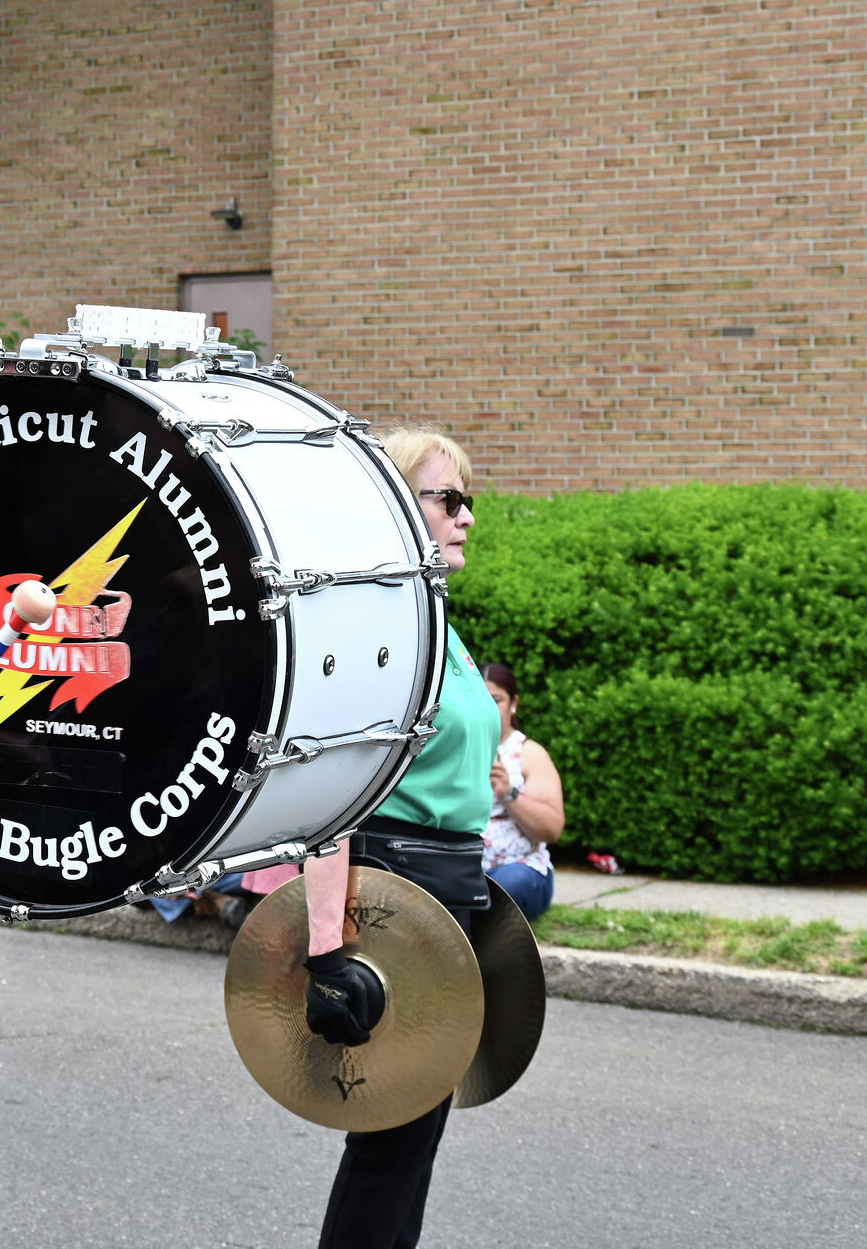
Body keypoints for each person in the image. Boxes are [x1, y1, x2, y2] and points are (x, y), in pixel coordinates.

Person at [300, 424, 496, 1249]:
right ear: (389, 506)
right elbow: (328, 784)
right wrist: (325, 946)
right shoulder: (375, 622)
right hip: (394, 896)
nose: (467, 518)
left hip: (452, 895)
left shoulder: (432, 617)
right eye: (449, 500)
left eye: (469, 502)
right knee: (392, 1143)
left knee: (411, 1142)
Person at [480, 662, 563, 921]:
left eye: (497, 700)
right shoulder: (460, 750)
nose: (489, 708)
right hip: (467, 869)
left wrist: (509, 794)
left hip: (519, 869)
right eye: (482, 700)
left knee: (505, 885)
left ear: (514, 702)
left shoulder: (529, 753)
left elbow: (552, 829)